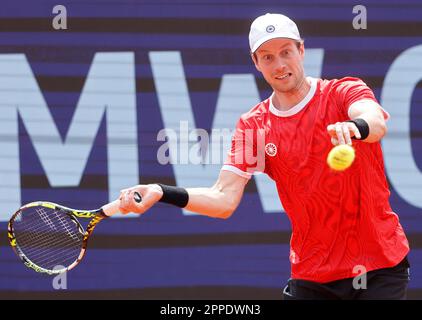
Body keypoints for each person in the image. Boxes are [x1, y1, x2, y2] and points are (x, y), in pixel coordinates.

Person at [118, 13, 410, 299]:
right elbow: (223, 200)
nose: (280, 64)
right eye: (267, 57)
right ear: (256, 62)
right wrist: (160, 191)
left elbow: (375, 122)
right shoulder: (254, 125)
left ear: (302, 50)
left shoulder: (343, 91)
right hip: (313, 275)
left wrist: (354, 126)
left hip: (379, 267)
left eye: (286, 52)